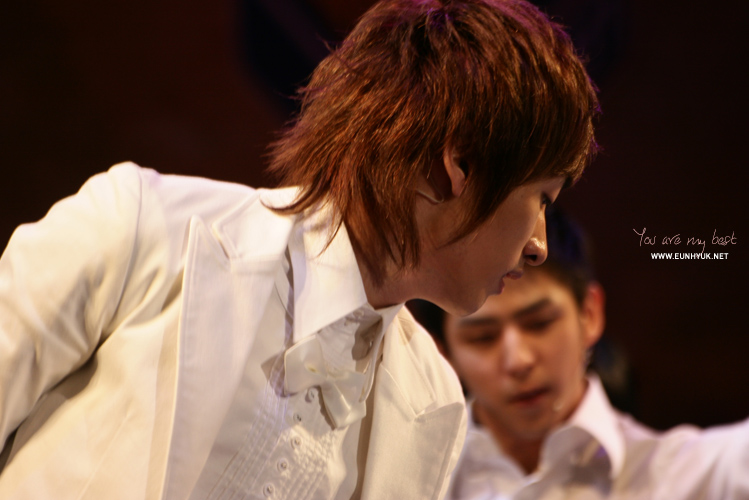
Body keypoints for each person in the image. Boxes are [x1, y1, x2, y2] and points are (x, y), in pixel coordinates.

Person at [0, 0, 599, 498]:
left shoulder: (433, 405)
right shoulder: (144, 226)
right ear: (459, 162)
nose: (540, 246)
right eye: (540, 198)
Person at [414, 207, 749, 499]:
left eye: (540, 323)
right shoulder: (415, 480)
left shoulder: (684, 474)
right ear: (442, 351)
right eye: (483, 338)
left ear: (589, 314)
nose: (518, 361)